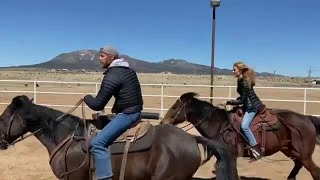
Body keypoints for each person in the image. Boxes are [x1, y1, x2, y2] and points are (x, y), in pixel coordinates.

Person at [83, 45, 143, 180]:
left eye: (102, 56)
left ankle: (105, 178)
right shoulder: (128, 70)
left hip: (128, 114)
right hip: (134, 111)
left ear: (112, 57)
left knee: (97, 143)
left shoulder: (113, 75)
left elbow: (97, 105)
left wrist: (86, 97)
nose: (99, 59)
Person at [226, 61, 263, 160]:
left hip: (252, 106)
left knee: (244, 126)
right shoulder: (240, 79)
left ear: (240, 70)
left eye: (234, 69)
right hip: (247, 104)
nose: (232, 71)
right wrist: (235, 101)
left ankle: (255, 148)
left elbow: (243, 99)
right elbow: (243, 97)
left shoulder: (244, 81)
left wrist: (229, 102)